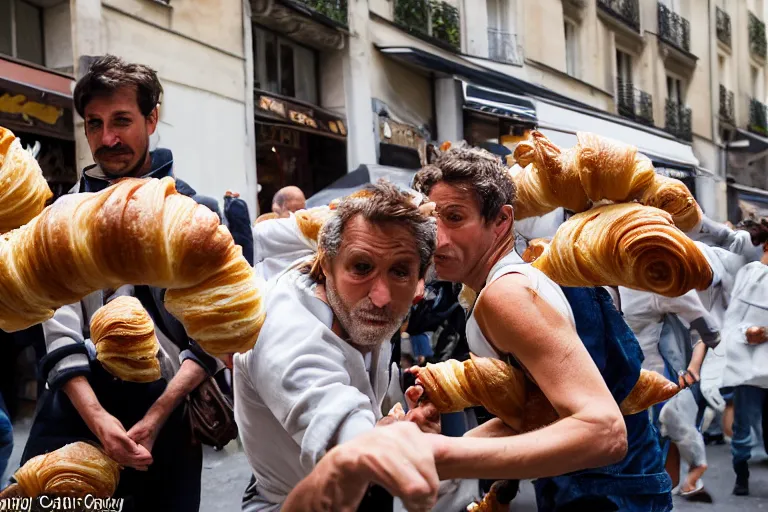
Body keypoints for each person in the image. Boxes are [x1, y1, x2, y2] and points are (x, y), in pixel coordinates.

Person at [409, 147, 672, 511]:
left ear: (501, 221)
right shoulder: (537, 270)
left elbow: (604, 433)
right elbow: (540, 412)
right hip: (622, 489)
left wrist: (439, 457)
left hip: (600, 496)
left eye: (454, 218)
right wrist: (436, 447)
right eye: (430, 223)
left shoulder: (506, 294)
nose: (437, 240)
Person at [19, 55, 221, 512]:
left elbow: (217, 333)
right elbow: (58, 324)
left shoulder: (194, 212)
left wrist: (155, 415)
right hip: (76, 402)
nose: (107, 139)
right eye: (94, 124)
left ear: (152, 119)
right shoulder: (59, 216)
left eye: (122, 121)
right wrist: (98, 420)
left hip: (167, 410)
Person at [234, 182, 443, 511]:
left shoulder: (351, 301)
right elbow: (341, 427)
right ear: (327, 263)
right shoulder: (286, 330)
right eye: (361, 268)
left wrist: (391, 429)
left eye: (400, 271)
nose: (381, 297)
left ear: (420, 279)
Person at [721, 224, 768, 496]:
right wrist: (746, 333)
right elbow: (733, 318)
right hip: (748, 364)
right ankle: (742, 474)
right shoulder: (749, 274)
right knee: (743, 427)